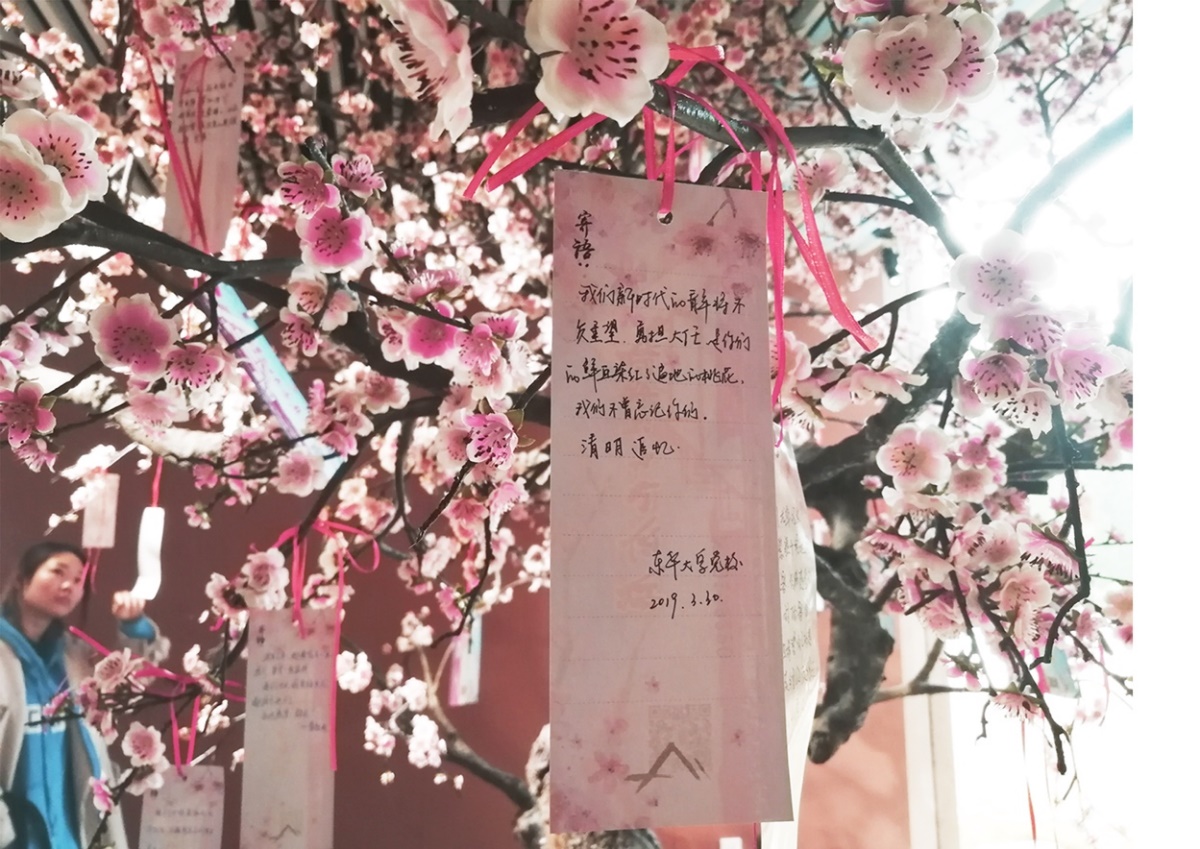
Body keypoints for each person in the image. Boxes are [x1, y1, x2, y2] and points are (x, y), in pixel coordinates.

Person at [0, 541, 169, 849]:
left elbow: (128, 681)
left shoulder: (74, 656)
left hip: (68, 830)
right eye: (57, 572)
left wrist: (134, 626)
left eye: (78, 580)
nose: (69, 585)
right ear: (23, 578)